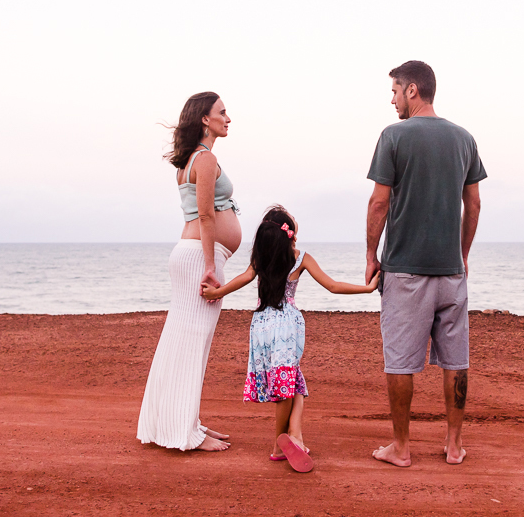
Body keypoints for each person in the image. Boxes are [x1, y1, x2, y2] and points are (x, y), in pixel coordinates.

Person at [364, 61, 486, 467]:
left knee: (400, 360)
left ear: (412, 90)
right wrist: (462, 254)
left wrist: (371, 255)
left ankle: (401, 447)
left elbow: (379, 202)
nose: (393, 99)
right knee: (456, 358)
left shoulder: (394, 136)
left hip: (405, 270)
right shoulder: (464, 138)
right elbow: (474, 204)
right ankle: (453, 446)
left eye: (396, 91)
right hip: (451, 271)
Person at [202, 205, 379, 473]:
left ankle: (296, 436)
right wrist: (366, 290)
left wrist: (218, 293)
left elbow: (244, 278)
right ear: (290, 232)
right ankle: (278, 446)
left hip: (261, 326)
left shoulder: (262, 258)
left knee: (292, 383)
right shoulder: (300, 257)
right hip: (287, 326)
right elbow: (332, 286)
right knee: (287, 386)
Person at [137, 91, 241, 452]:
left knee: (185, 340)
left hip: (192, 253)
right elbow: (206, 215)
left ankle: (187, 422)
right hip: (200, 256)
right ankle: (184, 432)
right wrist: (212, 265)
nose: (228, 118)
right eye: (222, 113)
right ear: (205, 119)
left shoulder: (190, 160)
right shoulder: (206, 159)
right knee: (193, 342)